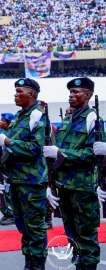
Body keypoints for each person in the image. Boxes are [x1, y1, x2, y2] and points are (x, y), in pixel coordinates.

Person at [43, 77, 103, 270]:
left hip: (83, 188)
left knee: (86, 236)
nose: (71, 96)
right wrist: (48, 185)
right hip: (64, 187)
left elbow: (93, 154)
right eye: (70, 93)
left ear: (87, 95)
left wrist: (61, 153)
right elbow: (52, 158)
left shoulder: (94, 120)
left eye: (76, 92)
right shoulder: (67, 120)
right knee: (71, 235)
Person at [0, 79, 48, 270]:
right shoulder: (19, 116)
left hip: (31, 181)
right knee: (23, 226)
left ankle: (38, 265)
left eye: (19, 91)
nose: (15, 95)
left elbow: (35, 148)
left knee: (35, 227)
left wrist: (7, 142)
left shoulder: (38, 116)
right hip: (16, 179)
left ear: (31, 94)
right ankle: (28, 263)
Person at [0, 112, 15, 226]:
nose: (0, 122)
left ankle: (11, 215)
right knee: (1, 192)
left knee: (7, 191)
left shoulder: (10, 135)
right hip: (1, 167)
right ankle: (6, 213)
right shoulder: (1, 134)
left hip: (8, 168)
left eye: (3, 121)